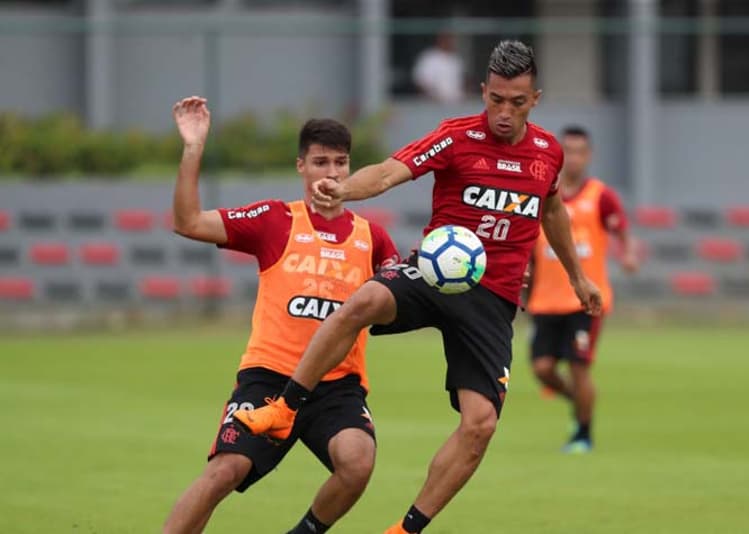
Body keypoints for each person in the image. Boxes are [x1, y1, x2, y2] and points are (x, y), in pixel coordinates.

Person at [234, 40, 602, 534]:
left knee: (480, 426)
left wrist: (578, 278)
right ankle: (283, 408)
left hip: (492, 300)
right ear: (482, 92)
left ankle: (405, 529)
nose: (504, 113)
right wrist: (344, 188)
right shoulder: (455, 137)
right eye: (495, 100)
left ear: (535, 98)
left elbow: (552, 209)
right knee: (362, 299)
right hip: (432, 275)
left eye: (516, 102)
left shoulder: (547, 154)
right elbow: (389, 172)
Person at [163, 96, 399, 534]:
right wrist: (193, 148)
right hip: (270, 379)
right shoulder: (276, 220)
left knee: (357, 461)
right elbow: (187, 222)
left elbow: (393, 307)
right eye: (320, 162)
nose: (331, 173)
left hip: (335, 386)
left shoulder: (374, 238)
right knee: (224, 473)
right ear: (301, 167)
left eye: (340, 163)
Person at [525, 125, 639, 454]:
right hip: (546, 300)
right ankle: (580, 403)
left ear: (588, 156)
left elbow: (622, 231)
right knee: (542, 369)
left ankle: (583, 434)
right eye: (568, 151)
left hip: (586, 300)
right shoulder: (543, 193)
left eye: (579, 152)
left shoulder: (600, 196)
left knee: (578, 367)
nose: (573, 158)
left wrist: (628, 254)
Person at [412, 32, 465, 103]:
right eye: (446, 39)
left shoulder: (456, 59)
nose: (449, 42)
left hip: (454, 103)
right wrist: (432, 97)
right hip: (432, 103)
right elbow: (419, 82)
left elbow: (460, 83)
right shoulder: (429, 57)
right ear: (440, 40)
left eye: (451, 39)